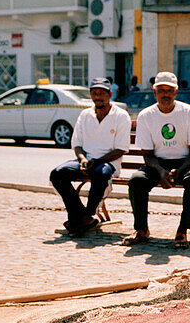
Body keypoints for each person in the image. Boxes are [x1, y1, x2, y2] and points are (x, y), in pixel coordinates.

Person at [123, 71, 190, 247]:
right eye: (161, 90)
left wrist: (180, 170)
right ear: (155, 93)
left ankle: (182, 230)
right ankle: (141, 229)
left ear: (176, 92)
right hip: (156, 164)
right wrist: (160, 171)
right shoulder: (146, 115)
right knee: (136, 180)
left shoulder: (189, 113)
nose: (165, 95)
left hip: (185, 163)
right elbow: (147, 154)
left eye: (169, 91)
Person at [49, 77, 131, 235]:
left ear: (110, 94)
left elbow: (121, 149)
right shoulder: (85, 115)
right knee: (57, 174)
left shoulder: (121, 116)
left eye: (102, 93)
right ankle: (82, 216)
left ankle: (84, 216)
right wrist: (83, 159)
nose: (98, 97)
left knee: (101, 174)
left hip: (108, 163)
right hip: (85, 161)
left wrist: (97, 161)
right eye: (94, 93)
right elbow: (77, 144)